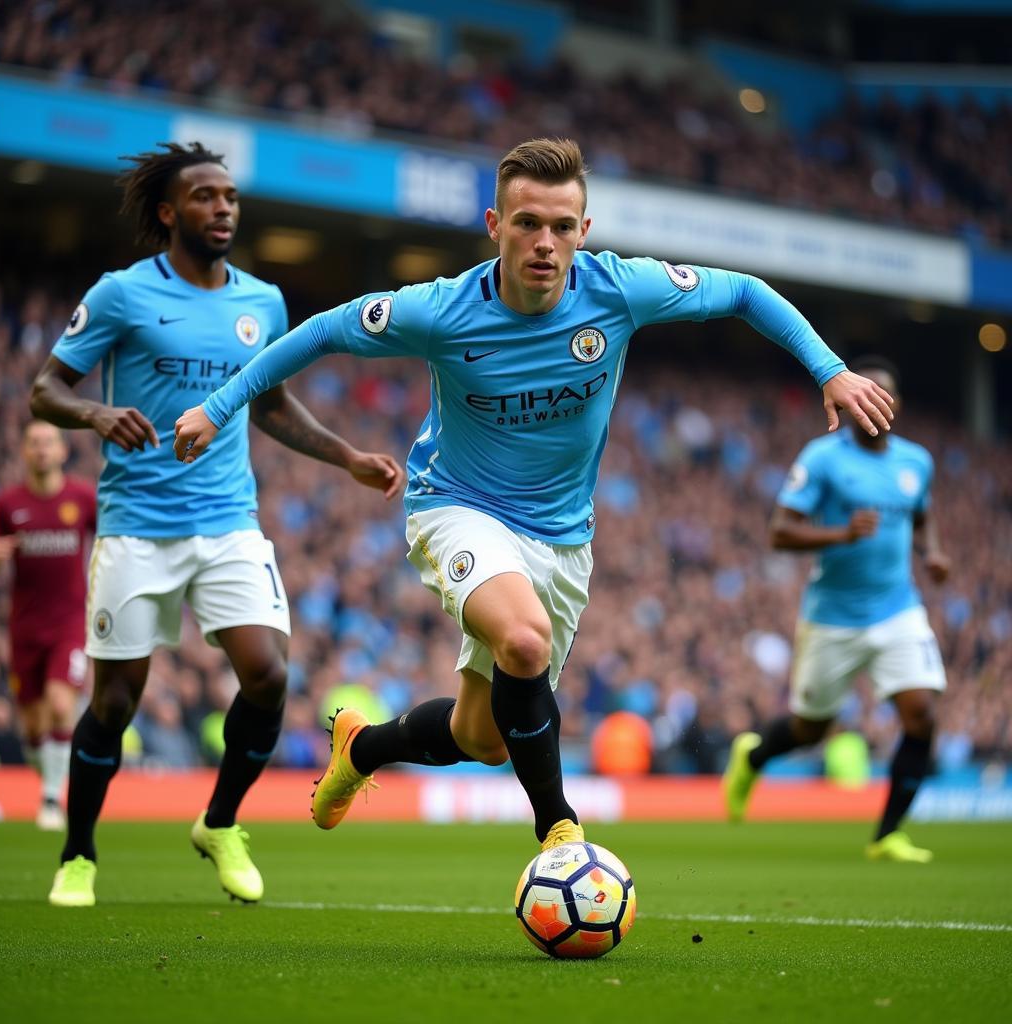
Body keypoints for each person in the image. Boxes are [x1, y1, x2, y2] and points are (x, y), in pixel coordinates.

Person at [173, 137, 893, 853]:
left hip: (561, 539)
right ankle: (558, 826)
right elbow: (323, 333)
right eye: (526, 224)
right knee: (523, 641)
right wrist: (218, 406)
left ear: (584, 231)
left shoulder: (618, 290)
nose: (544, 243)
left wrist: (828, 370)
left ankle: (362, 752)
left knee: (480, 738)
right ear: (495, 226)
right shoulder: (442, 310)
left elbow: (741, 292)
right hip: (456, 507)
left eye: (560, 226)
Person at [30, 142, 403, 908]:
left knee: (268, 674)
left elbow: (268, 404)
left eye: (230, 196)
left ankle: (221, 821)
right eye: (205, 196)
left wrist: (345, 456)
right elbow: (45, 390)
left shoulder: (261, 302)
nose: (223, 208)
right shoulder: (121, 296)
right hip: (137, 525)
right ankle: (78, 855)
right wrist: (96, 411)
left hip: (229, 520)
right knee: (114, 703)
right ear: (169, 212)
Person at [723, 355, 949, 862]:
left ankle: (887, 835)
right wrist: (841, 533)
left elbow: (922, 514)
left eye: (885, 395)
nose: (876, 403)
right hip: (833, 616)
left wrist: (931, 551)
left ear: (898, 404)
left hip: (898, 609)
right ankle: (753, 756)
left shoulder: (916, 462)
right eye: (866, 394)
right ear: (849, 403)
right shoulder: (823, 459)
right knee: (811, 729)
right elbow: (780, 532)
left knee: (922, 715)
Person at [0, 421, 96, 830]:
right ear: (23, 451)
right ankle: (48, 775)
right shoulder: (8, 503)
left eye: (48, 442)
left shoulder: (83, 499)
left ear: (62, 450)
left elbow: (106, 545)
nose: (41, 450)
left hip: (69, 622)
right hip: (24, 626)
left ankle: (51, 800)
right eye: (33, 443)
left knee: (59, 704)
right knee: (32, 724)